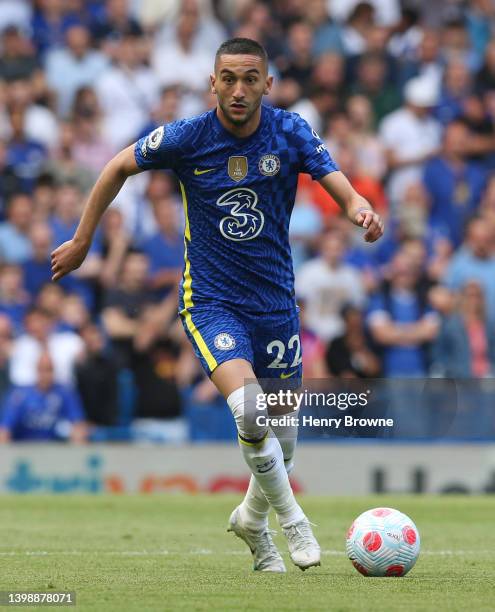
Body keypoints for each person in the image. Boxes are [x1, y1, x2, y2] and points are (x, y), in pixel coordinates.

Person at [50, 38, 383, 573]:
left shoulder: (290, 131)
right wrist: (84, 239)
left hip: (275, 305)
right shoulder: (188, 137)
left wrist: (360, 209)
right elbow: (116, 167)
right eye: (227, 77)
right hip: (211, 301)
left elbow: (341, 187)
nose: (238, 89)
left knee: (283, 438)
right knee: (249, 411)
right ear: (212, 83)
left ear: (267, 85)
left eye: (250, 78)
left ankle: (251, 521)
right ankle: (294, 520)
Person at [0, 352, 87, 443]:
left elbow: (78, 424)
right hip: (25, 449)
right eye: (42, 370)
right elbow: (5, 428)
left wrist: (77, 435)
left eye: (49, 370)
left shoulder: (65, 393)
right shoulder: (20, 395)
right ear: (36, 370)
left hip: (55, 450)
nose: (45, 375)